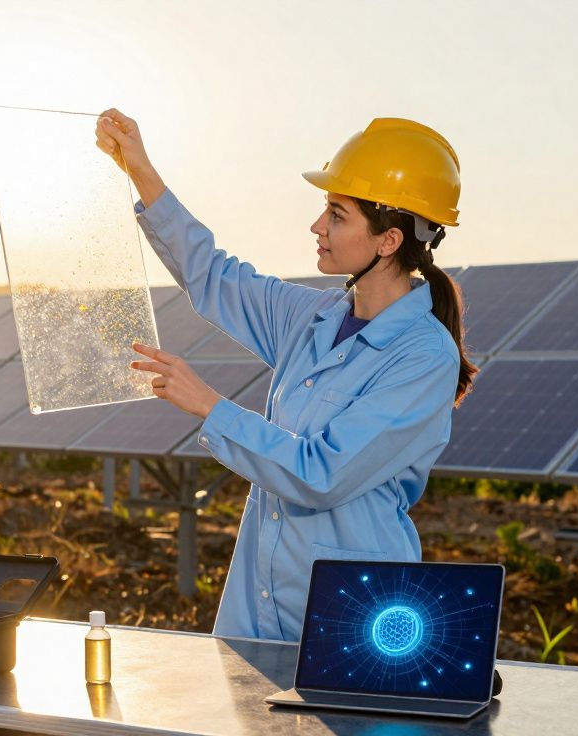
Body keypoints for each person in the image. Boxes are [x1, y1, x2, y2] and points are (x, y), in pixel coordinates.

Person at [95, 109, 478, 642]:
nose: (318, 226)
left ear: (388, 240)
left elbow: (320, 474)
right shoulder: (310, 317)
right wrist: (139, 168)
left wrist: (211, 407)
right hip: (259, 607)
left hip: (356, 619)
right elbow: (213, 274)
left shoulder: (422, 357)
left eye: (337, 214)